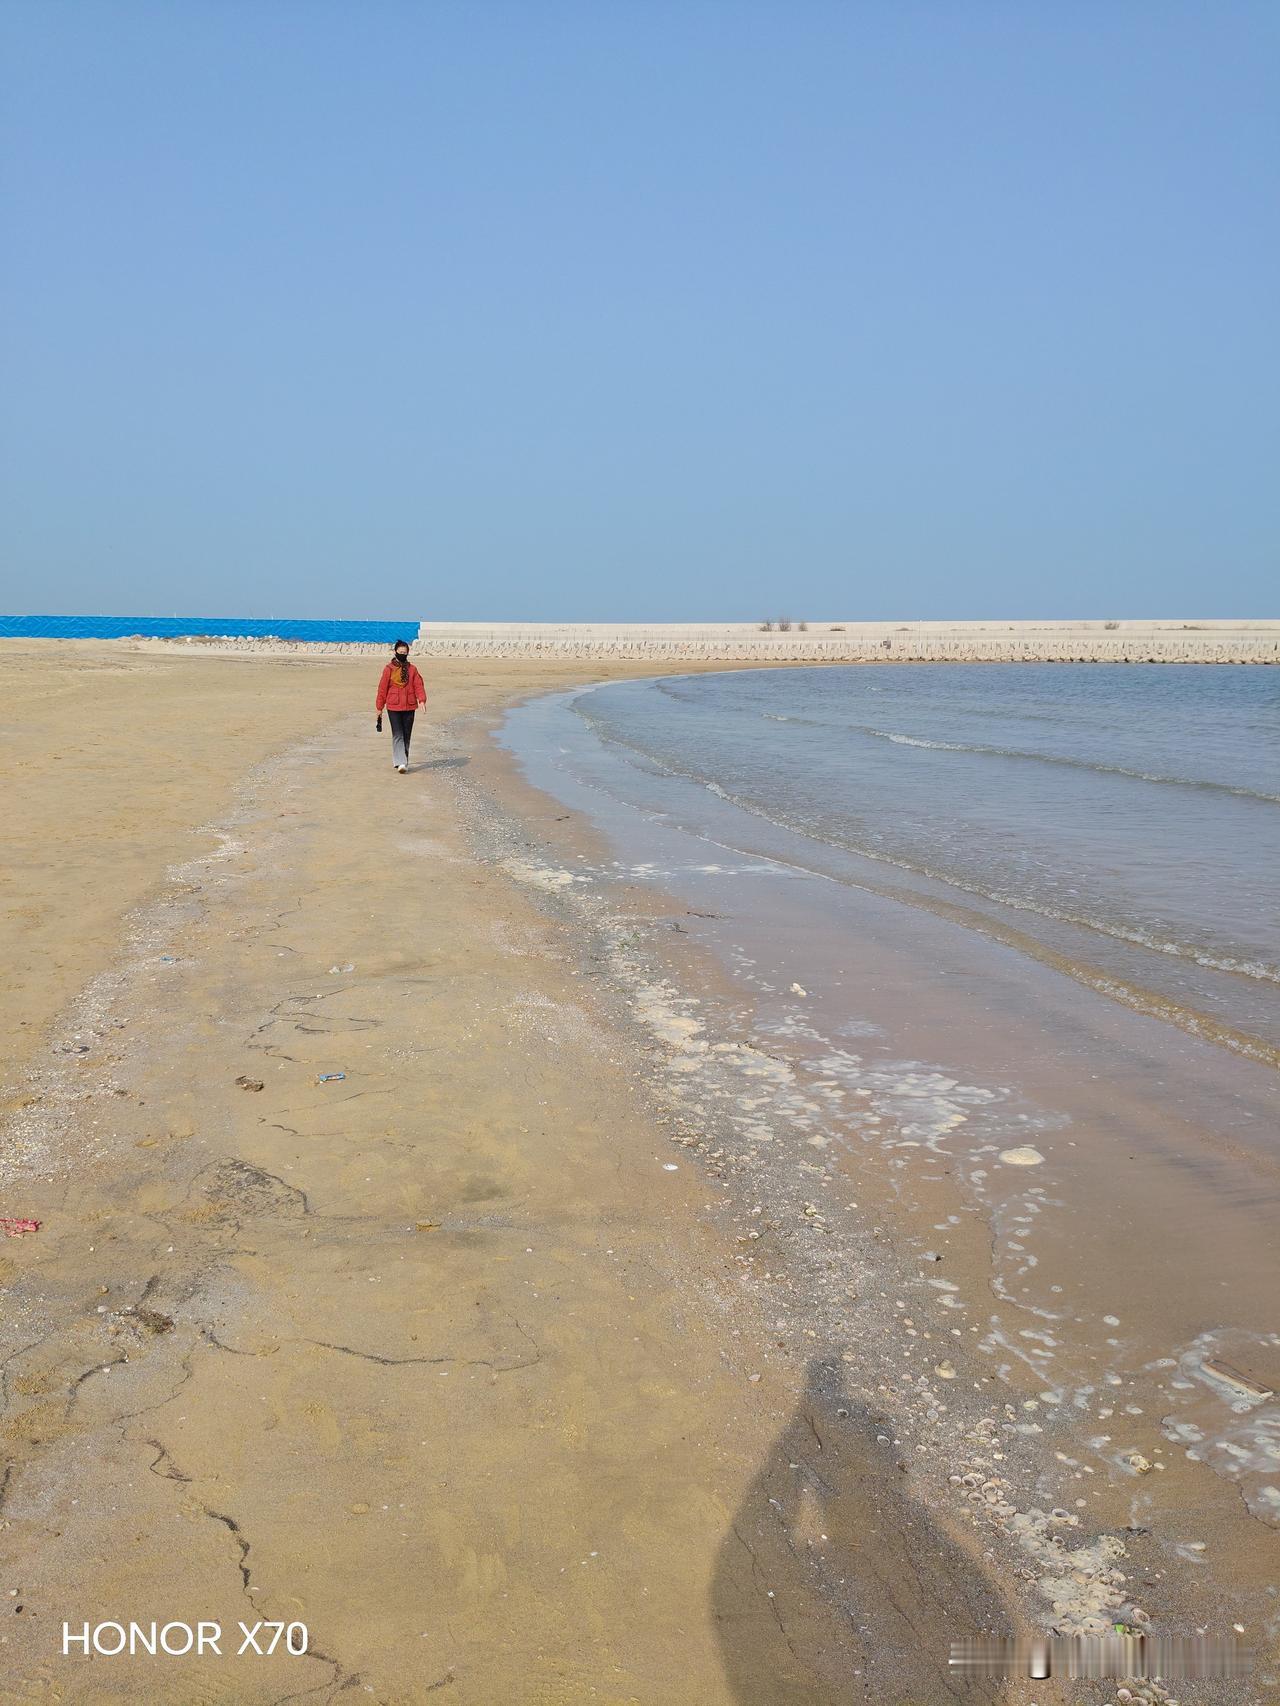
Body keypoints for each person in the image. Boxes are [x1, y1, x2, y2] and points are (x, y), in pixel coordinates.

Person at [375, 639, 426, 773]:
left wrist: (422, 700)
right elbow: (382, 688)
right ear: (395, 652)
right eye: (400, 652)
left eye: (405, 652)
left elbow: (418, 685)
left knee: (406, 734)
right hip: (393, 706)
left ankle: (404, 761)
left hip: (409, 706)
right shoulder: (388, 669)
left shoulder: (412, 669)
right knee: (398, 734)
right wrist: (379, 707)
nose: (403, 654)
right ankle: (400, 762)